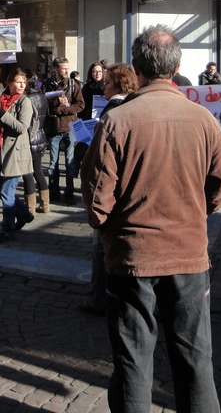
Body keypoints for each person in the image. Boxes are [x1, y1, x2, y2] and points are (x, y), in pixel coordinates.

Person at [81, 26, 221, 412]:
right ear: (178, 66)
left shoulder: (118, 120)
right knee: (195, 360)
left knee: (133, 360)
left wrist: (106, 228)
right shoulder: (202, 118)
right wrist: (196, 212)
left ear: (136, 66)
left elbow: (97, 196)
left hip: (134, 258)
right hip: (187, 255)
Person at [80, 62, 138, 316]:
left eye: (107, 82)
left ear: (117, 85)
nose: (103, 86)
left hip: (113, 192)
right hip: (133, 189)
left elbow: (101, 162)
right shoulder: (137, 106)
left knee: (101, 248)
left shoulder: (113, 110)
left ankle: (100, 301)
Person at [0, 69, 36, 243]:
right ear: (9, 83)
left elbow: (22, 127)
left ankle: (7, 229)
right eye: (18, 81)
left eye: (24, 82)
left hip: (15, 153)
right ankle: (24, 214)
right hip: (0, 150)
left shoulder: (24, 102)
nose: (22, 85)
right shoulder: (1, 99)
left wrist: (5, 116)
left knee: (6, 191)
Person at [44, 57, 85, 205]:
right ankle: (53, 192)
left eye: (68, 68)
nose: (66, 71)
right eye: (63, 68)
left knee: (70, 162)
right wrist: (54, 105)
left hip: (70, 127)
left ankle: (69, 193)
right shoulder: (48, 84)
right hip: (54, 128)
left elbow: (80, 105)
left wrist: (65, 108)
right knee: (53, 163)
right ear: (55, 69)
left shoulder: (74, 85)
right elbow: (43, 104)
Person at [22, 72, 50, 214]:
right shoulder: (43, 97)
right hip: (41, 137)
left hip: (29, 139)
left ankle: (30, 208)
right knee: (38, 172)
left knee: (27, 173)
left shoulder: (26, 99)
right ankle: (45, 205)